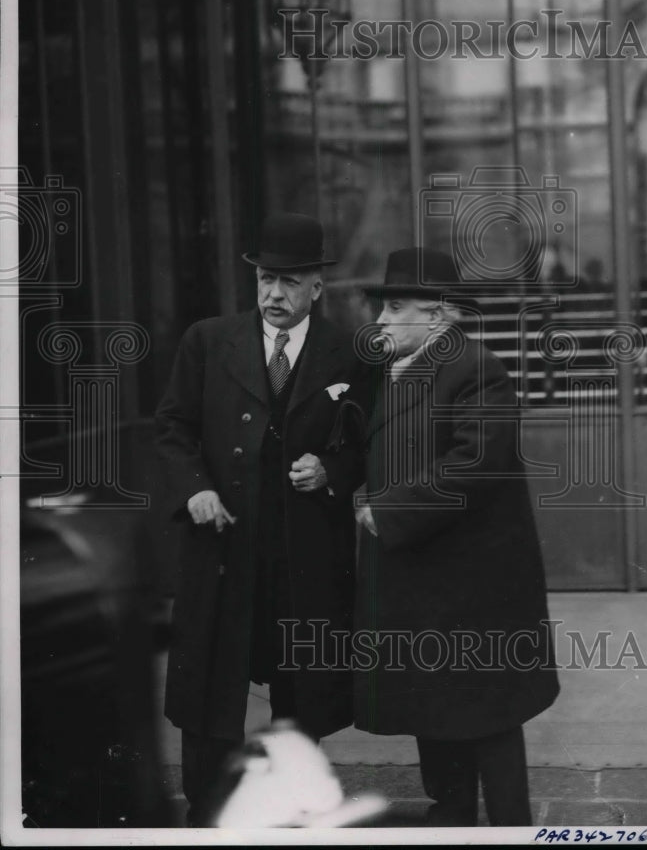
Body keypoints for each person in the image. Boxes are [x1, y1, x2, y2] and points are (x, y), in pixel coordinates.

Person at [155, 213, 364, 824]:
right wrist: (194, 489)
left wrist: (330, 471)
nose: (275, 294)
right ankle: (206, 810)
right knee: (212, 683)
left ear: (317, 288)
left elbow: (362, 442)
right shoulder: (206, 341)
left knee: (299, 687)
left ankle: (290, 801)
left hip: (301, 555)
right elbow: (173, 428)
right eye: (267, 280)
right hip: (222, 548)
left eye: (291, 283)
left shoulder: (346, 352)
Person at [353, 247, 560, 827]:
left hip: (473, 589)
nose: (383, 320)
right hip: (424, 580)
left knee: (488, 719)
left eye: (397, 308)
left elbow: (473, 465)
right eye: (383, 307)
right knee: (434, 711)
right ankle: (451, 823)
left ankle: (512, 829)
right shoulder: (392, 372)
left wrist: (386, 512)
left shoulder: (474, 367)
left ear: (439, 316)